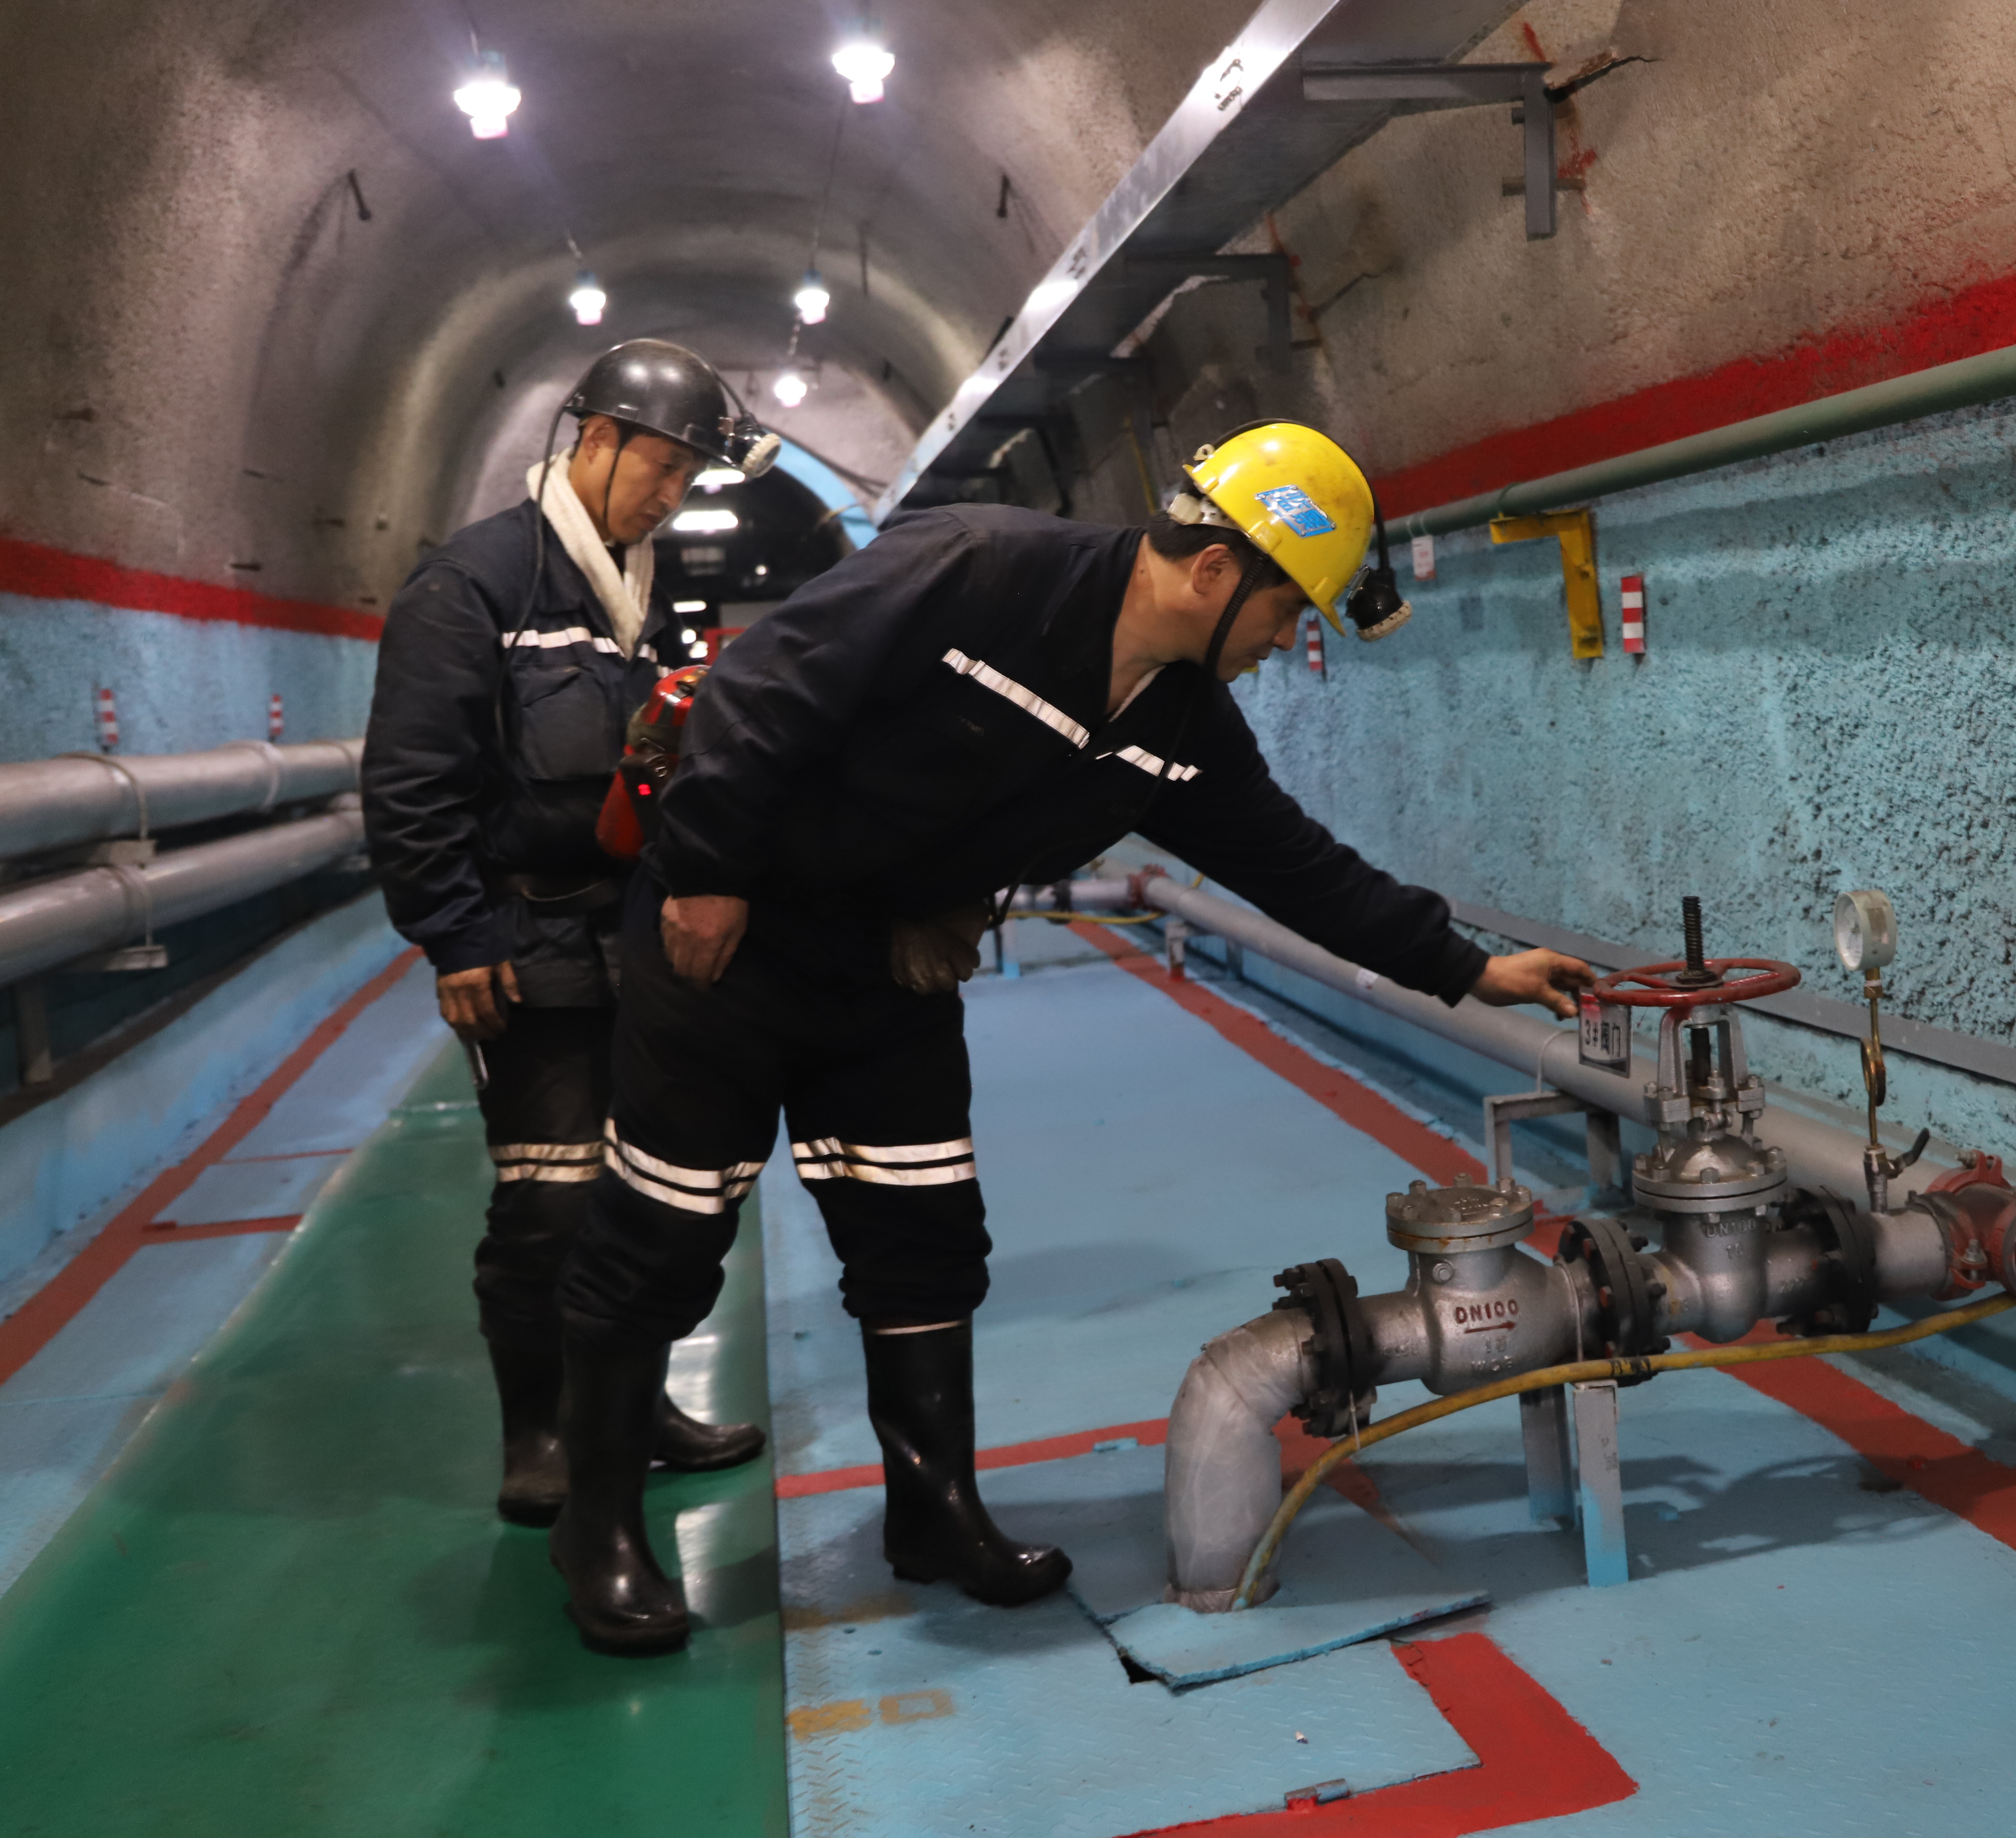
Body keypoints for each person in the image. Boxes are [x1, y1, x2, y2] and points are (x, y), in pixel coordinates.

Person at [549, 421, 1595, 1654]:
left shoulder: (1182, 723)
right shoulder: (977, 569)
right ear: (1216, 571)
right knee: (664, 1234)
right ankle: (597, 1527)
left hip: (891, 967)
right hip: (728, 941)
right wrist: (708, 871)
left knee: (924, 1238)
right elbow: (766, 688)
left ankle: (933, 1514)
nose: (1279, 644)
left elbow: (1293, 864)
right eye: (1282, 612)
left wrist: (1468, 967)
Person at [361, 339, 778, 1532]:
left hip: (630, 937)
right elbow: (411, 782)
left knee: (649, 1195)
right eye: (662, 468)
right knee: (551, 1201)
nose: (673, 495)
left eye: (689, 476)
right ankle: (541, 1431)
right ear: (594, 439)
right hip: (524, 939)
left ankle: (633, 1408)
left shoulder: (630, 588)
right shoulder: (475, 587)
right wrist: (453, 935)